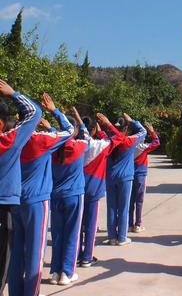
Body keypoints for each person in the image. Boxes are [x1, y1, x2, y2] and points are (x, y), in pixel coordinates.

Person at [8, 93, 73, 296]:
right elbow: (69, 131)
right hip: (37, 201)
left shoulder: (12, 139)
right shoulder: (41, 140)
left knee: (16, 253)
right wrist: (54, 111)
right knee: (35, 254)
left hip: (15, 200)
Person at [0, 79, 41, 294]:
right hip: (6, 206)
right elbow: (35, 112)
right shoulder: (9, 141)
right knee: (6, 261)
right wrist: (13, 93)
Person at [72, 109, 125, 268]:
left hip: (77, 189)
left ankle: (76, 255)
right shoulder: (100, 146)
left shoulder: (76, 145)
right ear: (94, 129)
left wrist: (77, 118)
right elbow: (120, 138)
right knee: (90, 225)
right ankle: (87, 257)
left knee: (78, 225)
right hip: (94, 190)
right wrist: (107, 124)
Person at [49, 110, 89, 286]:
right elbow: (86, 133)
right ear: (73, 130)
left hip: (55, 195)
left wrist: (52, 126)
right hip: (73, 195)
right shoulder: (79, 145)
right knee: (72, 234)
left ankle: (55, 272)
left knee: (57, 235)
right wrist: (78, 120)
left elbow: (56, 134)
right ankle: (67, 272)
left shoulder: (52, 148)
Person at [105, 114, 146, 246]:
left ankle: (111, 236)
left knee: (111, 207)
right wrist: (132, 121)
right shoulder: (130, 141)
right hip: (125, 178)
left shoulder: (108, 141)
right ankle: (122, 237)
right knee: (124, 208)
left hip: (110, 177)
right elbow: (143, 131)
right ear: (125, 128)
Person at [129, 122, 160, 233]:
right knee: (139, 200)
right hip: (141, 175)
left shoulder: (128, 144)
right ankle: (138, 224)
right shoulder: (143, 146)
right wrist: (152, 131)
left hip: (130, 176)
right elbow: (156, 142)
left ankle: (128, 224)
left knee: (130, 200)